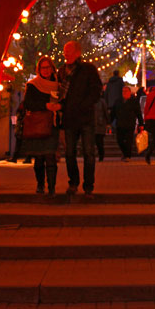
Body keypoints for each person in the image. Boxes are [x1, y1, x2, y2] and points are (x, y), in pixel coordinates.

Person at [59, 40, 103, 196]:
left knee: (89, 153)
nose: (66, 53)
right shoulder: (62, 71)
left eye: (69, 50)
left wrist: (84, 105)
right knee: (70, 153)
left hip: (85, 118)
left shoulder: (88, 70)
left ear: (78, 52)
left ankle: (88, 185)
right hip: (69, 119)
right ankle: (73, 182)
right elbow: (59, 94)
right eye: (65, 50)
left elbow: (96, 90)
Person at [21, 56, 62, 195]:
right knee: (39, 158)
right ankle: (40, 184)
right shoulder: (33, 85)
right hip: (37, 124)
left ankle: (51, 187)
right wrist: (45, 106)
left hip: (52, 124)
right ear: (39, 69)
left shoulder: (58, 84)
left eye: (48, 67)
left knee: (51, 157)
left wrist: (58, 107)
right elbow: (28, 104)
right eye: (43, 67)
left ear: (52, 68)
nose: (46, 70)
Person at [113, 86, 144, 160]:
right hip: (120, 123)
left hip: (130, 124)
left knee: (129, 140)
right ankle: (125, 153)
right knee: (119, 140)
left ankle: (127, 156)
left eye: (126, 91)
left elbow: (138, 113)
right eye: (123, 91)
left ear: (130, 92)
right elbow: (113, 113)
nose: (124, 93)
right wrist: (109, 122)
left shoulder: (134, 101)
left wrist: (141, 124)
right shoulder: (118, 101)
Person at [93, 96, 108, 161]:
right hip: (92, 124)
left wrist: (107, 122)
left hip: (100, 124)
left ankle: (101, 155)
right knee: (93, 142)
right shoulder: (90, 101)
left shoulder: (102, 102)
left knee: (99, 142)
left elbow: (105, 113)